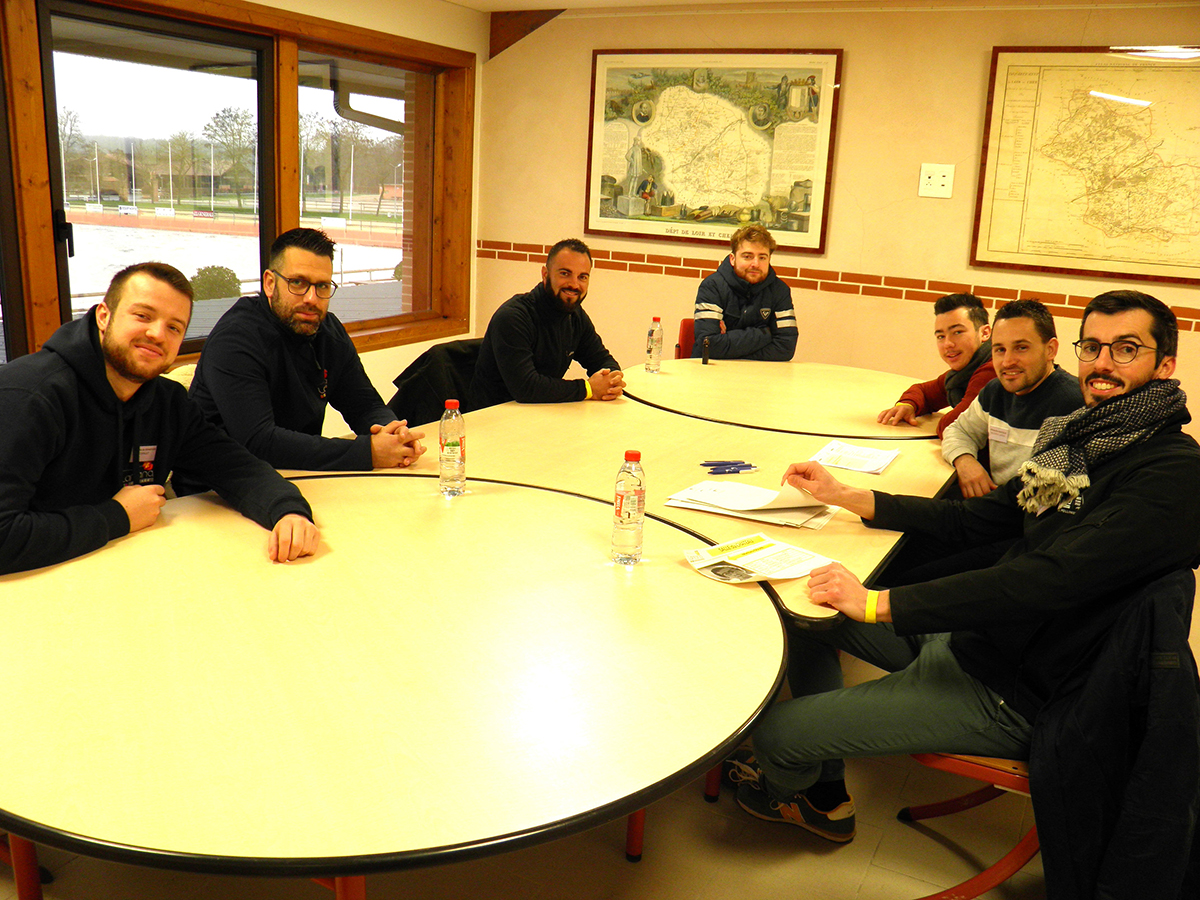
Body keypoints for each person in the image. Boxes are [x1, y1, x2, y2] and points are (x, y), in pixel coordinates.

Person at [732, 290, 1200, 851]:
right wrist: (848, 496)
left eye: (1125, 349)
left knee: (774, 735)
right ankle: (822, 784)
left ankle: (799, 794)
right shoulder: (1082, 442)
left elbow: (1049, 579)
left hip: (1015, 689)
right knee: (805, 611)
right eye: (1093, 347)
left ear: (1164, 364)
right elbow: (981, 518)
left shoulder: (1170, 473)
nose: (1102, 363)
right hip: (978, 637)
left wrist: (880, 603)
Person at [0, 262, 320, 576]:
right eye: (143, 316)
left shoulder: (167, 404)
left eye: (174, 327)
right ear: (103, 316)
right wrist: (118, 516)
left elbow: (236, 468)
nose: (156, 334)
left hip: (118, 569)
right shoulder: (30, 397)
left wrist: (288, 511)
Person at [189, 228, 425, 471]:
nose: (311, 298)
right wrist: (368, 453)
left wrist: (395, 435)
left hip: (293, 473)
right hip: (215, 482)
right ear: (270, 283)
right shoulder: (235, 339)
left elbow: (365, 405)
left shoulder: (328, 332)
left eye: (322, 286)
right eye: (298, 283)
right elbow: (259, 442)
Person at [941, 299, 1083, 497]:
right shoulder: (994, 392)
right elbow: (958, 430)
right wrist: (964, 460)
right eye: (1000, 349)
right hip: (993, 503)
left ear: (1050, 349)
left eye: (1021, 348)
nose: (1007, 362)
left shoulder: (1077, 405)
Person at [470, 238, 624, 408]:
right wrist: (588, 389)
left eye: (582, 277)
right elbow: (526, 388)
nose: (574, 284)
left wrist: (612, 380)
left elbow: (602, 359)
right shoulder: (513, 317)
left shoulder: (574, 315)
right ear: (545, 274)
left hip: (542, 412)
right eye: (565, 273)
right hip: (495, 416)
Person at [878, 293, 996, 437]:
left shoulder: (993, 369)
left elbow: (956, 426)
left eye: (957, 332)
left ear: (985, 333)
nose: (947, 344)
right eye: (941, 336)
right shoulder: (965, 371)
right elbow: (923, 392)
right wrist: (907, 405)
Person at [691, 224, 798, 361]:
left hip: (762, 372)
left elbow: (785, 348)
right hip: (712, 370)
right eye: (747, 256)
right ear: (732, 259)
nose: (755, 264)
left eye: (762, 257)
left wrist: (728, 343)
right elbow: (708, 345)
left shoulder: (780, 290)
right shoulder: (712, 287)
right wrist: (764, 334)